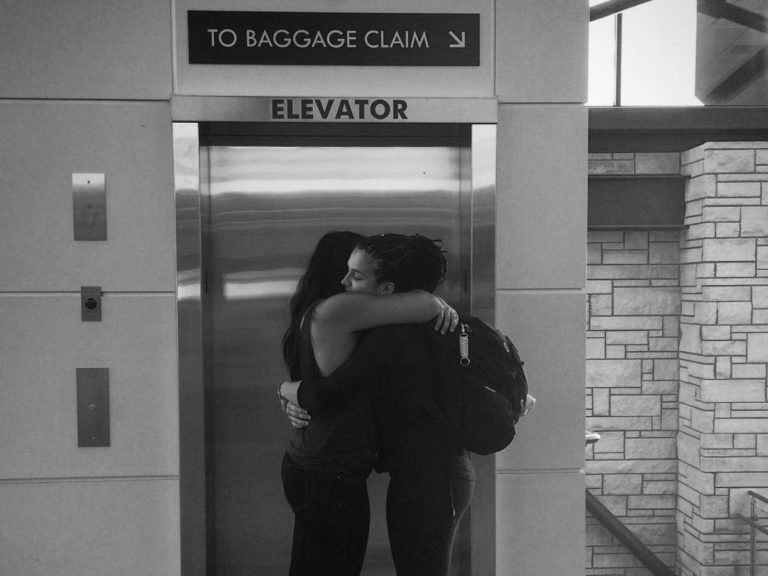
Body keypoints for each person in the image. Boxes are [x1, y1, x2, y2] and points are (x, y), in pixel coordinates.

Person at [281, 233, 474, 576]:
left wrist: (287, 390)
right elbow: (331, 393)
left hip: (426, 476)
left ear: (387, 289)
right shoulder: (367, 319)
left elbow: (325, 394)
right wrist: (288, 392)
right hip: (348, 472)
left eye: (356, 275)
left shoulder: (392, 332)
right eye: (346, 271)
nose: (345, 282)